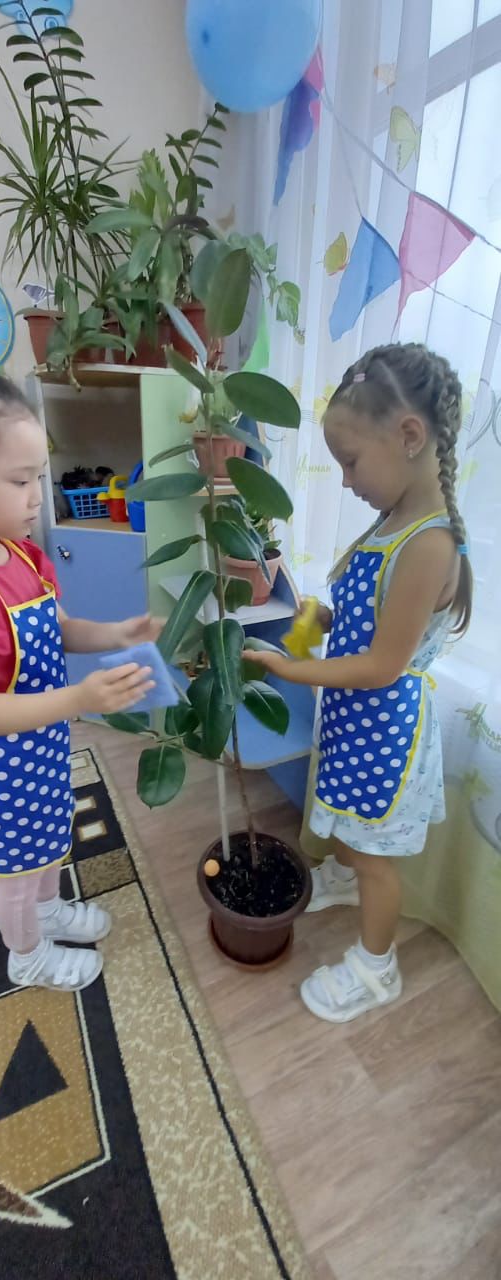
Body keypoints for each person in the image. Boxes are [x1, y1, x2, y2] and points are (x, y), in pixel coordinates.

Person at [244, 343, 472, 1024]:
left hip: (384, 730)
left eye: (349, 461)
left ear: (409, 436)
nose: (344, 481)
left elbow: (381, 665)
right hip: (354, 719)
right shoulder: (390, 524)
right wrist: (315, 622)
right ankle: (342, 875)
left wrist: (292, 668)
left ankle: (377, 968)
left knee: (377, 854)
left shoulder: (428, 543)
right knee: (347, 818)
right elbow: (365, 617)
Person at [0, 336, 162, 992]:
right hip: (3, 766)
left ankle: (51, 910)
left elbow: (56, 631)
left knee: (50, 841)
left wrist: (116, 631)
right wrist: (81, 700)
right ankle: (25, 954)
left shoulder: (20, 552)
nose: (38, 497)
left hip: (44, 744)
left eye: (39, 476)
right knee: (17, 872)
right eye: (20, 480)